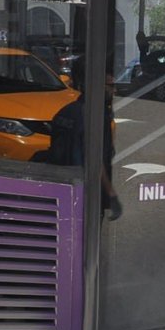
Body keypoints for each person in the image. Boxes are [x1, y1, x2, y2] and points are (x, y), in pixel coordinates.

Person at [49, 73, 123, 220]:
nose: (114, 91)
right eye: (111, 86)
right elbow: (94, 159)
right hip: (86, 191)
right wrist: (111, 194)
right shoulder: (95, 117)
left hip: (62, 185)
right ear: (97, 87)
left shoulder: (66, 111)